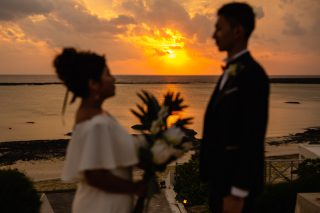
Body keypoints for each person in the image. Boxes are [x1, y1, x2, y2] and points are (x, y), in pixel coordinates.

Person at [55, 48, 147, 213]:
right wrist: (135, 188)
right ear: (93, 84)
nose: (113, 79)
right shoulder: (98, 123)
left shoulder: (92, 114)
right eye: (107, 74)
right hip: (101, 206)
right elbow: (94, 176)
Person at [199, 2, 269, 213]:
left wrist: (238, 192)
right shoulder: (230, 73)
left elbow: (252, 136)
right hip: (219, 183)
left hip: (234, 189)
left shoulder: (253, 74)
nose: (213, 35)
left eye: (219, 28)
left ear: (238, 31)